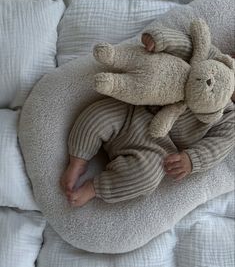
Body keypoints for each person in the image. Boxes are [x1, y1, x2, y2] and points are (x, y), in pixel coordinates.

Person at [60, 33, 235, 207]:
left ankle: (94, 188)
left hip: (157, 148)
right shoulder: (210, 58)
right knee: (98, 115)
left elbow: (217, 146)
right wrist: (160, 40)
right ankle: (78, 160)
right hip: (134, 112)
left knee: (147, 177)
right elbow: (184, 44)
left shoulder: (231, 119)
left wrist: (192, 160)